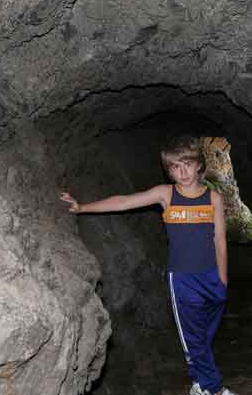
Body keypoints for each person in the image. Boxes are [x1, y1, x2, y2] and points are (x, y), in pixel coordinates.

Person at [59, 135, 237, 395]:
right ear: (169, 171)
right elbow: (124, 201)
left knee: (203, 337)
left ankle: (199, 383)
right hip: (183, 279)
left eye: (187, 164)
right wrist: (82, 207)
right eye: (175, 167)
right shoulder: (166, 194)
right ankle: (214, 389)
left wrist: (223, 279)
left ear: (199, 165)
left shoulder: (213, 199)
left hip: (212, 276)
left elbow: (219, 240)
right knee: (194, 338)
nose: (183, 172)